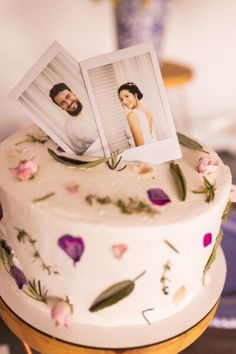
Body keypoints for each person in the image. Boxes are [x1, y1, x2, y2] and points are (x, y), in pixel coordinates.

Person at [49, 83, 98, 155]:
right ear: (61, 107)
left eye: (68, 96)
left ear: (73, 93)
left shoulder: (93, 99)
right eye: (63, 103)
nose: (69, 103)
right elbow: (83, 152)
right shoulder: (69, 129)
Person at [118, 82, 157, 147]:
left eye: (126, 96)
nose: (124, 101)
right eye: (122, 99)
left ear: (135, 95)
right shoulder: (148, 112)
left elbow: (140, 147)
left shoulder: (132, 115)